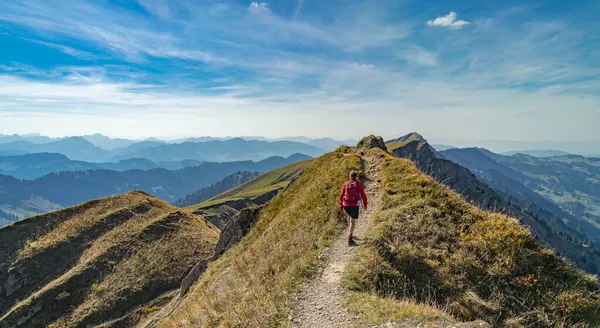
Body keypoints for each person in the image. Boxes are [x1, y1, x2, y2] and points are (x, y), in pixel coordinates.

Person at [339, 171, 368, 246]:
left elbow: (341, 195)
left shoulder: (346, 184)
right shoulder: (358, 184)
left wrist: (341, 205)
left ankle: (349, 231)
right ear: (356, 177)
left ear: (350, 176)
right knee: (352, 221)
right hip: (354, 205)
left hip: (345, 204)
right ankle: (350, 238)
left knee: (349, 215)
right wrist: (365, 204)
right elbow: (363, 195)